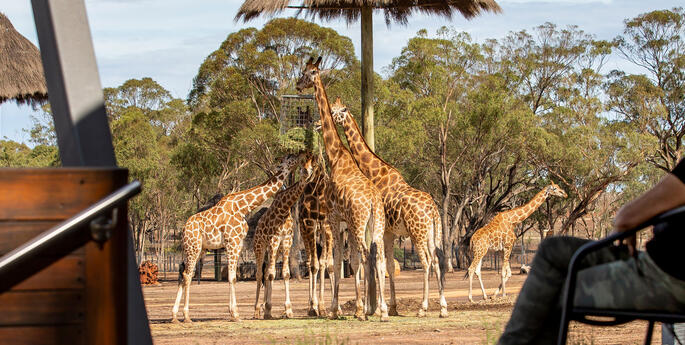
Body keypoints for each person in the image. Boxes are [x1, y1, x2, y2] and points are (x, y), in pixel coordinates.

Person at [497, 159, 685, 344]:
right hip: (661, 267)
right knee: (552, 248)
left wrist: (632, 220)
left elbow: (626, 218)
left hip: (665, 276)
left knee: (550, 287)